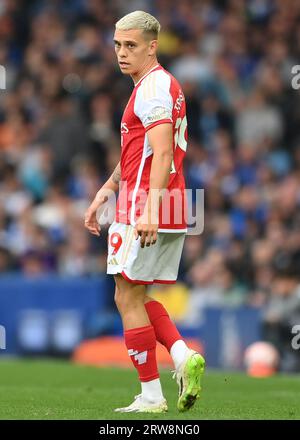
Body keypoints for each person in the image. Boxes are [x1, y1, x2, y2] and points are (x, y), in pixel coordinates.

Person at [84, 10, 205, 413]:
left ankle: (152, 395)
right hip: (167, 201)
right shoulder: (157, 85)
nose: (122, 52)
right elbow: (141, 150)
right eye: (117, 44)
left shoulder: (152, 87)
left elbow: (164, 152)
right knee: (133, 293)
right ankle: (182, 354)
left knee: (126, 296)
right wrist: (107, 187)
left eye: (131, 45)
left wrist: (148, 210)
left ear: (152, 47)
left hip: (147, 204)